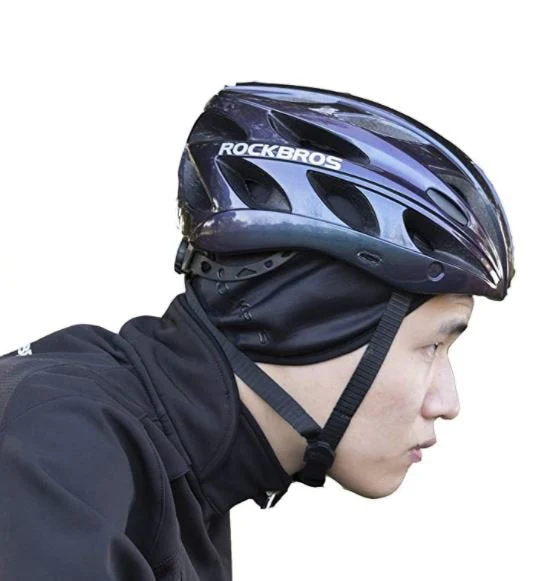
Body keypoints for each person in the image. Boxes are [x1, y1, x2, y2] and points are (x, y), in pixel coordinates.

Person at [0, 82, 515, 580]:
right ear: (309, 316)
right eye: (432, 345)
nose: (447, 403)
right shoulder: (57, 452)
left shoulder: (174, 474)